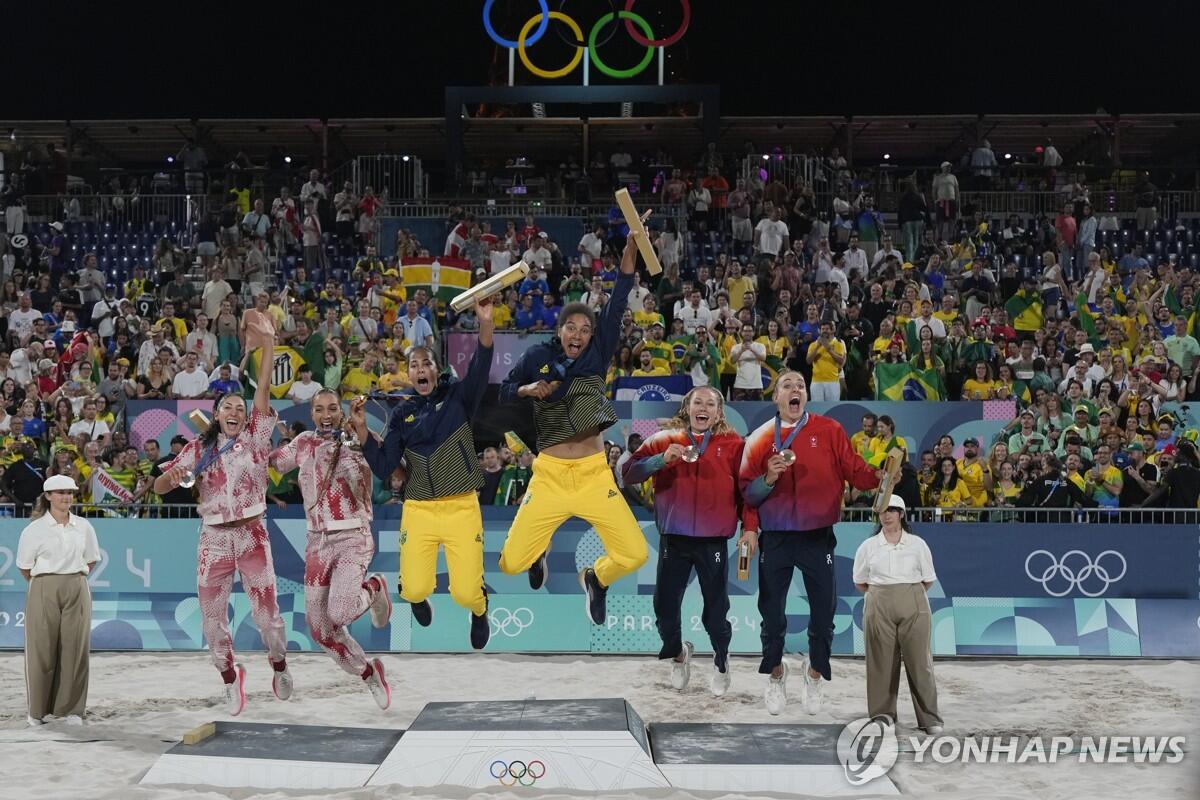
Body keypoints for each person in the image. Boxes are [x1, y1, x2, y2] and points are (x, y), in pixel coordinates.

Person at [498, 234, 649, 625]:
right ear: (560, 329)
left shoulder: (597, 355)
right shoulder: (536, 356)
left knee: (635, 554)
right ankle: (537, 552)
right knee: (511, 564)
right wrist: (527, 389)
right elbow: (502, 393)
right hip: (548, 476)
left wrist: (631, 243)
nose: (578, 335)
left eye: (585, 329)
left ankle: (596, 579)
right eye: (572, 328)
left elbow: (617, 300)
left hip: (593, 476)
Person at [152, 310, 291, 716]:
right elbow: (162, 486)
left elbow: (263, 386)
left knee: (268, 620)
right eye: (227, 406)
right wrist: (174, 474)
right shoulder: (197, 449)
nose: (235, 410)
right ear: (216, 414)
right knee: (212, 622)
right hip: (213, 539)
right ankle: (231, 679)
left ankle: (278, 663)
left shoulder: (256, 437)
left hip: (252, 535)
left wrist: (267, 345)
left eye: (240, 407)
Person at [353, 297, 495, 649]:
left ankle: (480, 610)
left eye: (426, 363)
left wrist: (487, 324)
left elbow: (481, 364)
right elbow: (385, 467)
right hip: (418, 510)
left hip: (462, 507)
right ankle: (419, 599)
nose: (420, 369)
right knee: (412, 588)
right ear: (408, 374)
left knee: (465, 593)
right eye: (413, 364)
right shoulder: (402, 416)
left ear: (436, 368)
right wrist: (362, 433)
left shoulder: (460, 397)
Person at [739, 371, 880, 715]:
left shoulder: (829, 430)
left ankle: (814, 674)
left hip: (818, 538)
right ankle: (775, 675)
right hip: (776, 538)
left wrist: (883, 474)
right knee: (771, 616)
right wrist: (767, 484)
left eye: (800, 385)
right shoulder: (758, 438)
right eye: (787, 385)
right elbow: (747, 493)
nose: (795, 390)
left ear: (806, 395)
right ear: (775, 397)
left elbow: (855, 471)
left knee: (824, 614)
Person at [621, 387, 758, 698]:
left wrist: (750, 528)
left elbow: (748, 493)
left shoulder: (735, 445)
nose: (704, 408)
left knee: (715, 612)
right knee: (664, 609)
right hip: (674, 540)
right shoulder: (663, 439)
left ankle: (721, 660)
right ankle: (680, 654)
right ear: (687, 407)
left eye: (711, 404)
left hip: (714, 543)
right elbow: (628, 474)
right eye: (698, 402)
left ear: (719, 413)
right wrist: (660, 461)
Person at [269, 390, 393, 708]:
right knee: (322, 630)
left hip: (353, 536)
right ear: (312, 414)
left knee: (340, 612)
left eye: (333, 408)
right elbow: (274, 465)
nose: (326, 414)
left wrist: (357, 443)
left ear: (341, 411)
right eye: (319, 409)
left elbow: (381, 474)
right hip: (316, 543)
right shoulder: (304, 443)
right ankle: (368, 672)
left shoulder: (359, 440)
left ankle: (375, 588)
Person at [852, 495, 942, 734]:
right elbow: (860, 581)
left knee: (919, 663)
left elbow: (928, 579)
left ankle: (930, 719)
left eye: (892, 510)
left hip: (913, 600)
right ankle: (882, 715)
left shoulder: (917, 544)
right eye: (882, 510)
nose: (887, 514)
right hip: (878, 602)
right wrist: (882, 595)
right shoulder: (868, 546)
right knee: (880, 662)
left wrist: (907, 594)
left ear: (901, 514)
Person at [16, 475, 99, 726]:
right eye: (61, 492)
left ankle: (71, 710)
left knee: (75, 648)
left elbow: (91, 559)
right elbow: (25, 567)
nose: (66, 497)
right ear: (48, 496)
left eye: (70, 493)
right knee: (42, 649)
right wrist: (47, 583)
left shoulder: (83, 526)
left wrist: (73, 576)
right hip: (43, 585)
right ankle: (37, 711)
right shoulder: (34, 529)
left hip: (76, 585)